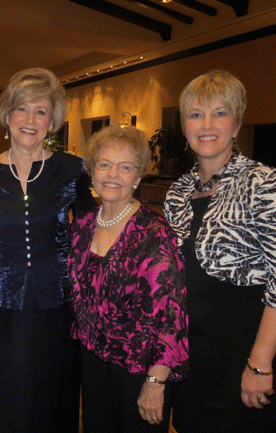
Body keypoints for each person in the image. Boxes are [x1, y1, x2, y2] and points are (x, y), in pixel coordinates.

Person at [164, 70, 276, 433]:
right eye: (196, 114)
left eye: (220, 113)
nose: (207, 125)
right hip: (198, 351)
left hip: (255, 345)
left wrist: (259, 363)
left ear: (237, 124)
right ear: (185, 126)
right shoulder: (177, 192)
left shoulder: (266, 183)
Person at [0, 67, 97, 433]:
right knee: (6, 402)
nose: (30, 119)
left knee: (52, 403)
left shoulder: (71, 169)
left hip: (56, 311)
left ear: (51, 122)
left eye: (41, 111)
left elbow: (95, 228)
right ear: (7, 115)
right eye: (22, 108)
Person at [68, 124, 188, 433]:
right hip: (93, 362)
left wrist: (156, 381)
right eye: (105, 164)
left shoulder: (154, 232)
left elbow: (171, 315)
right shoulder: (82, 225)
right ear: (92, 171)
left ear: (137, 177)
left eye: (125, 167)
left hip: (140, 369)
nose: (112, 175)